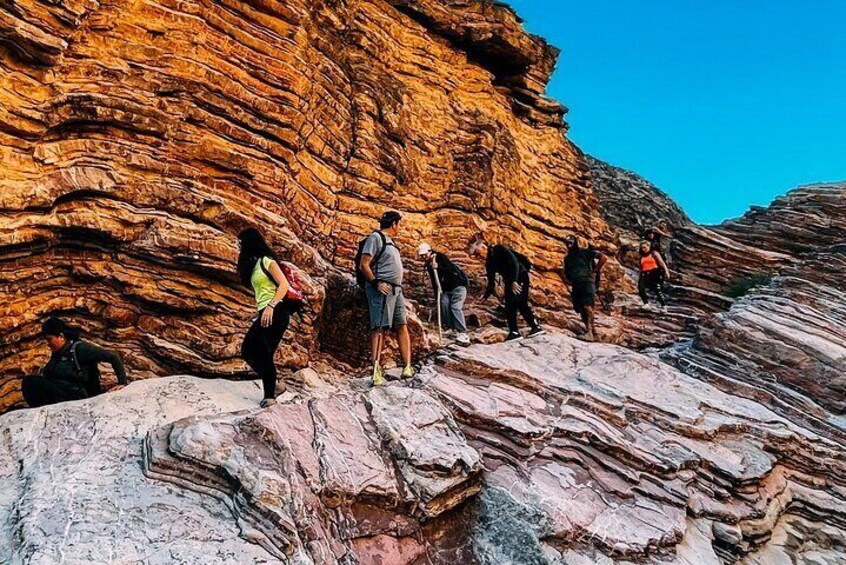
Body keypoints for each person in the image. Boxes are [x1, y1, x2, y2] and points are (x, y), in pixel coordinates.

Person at [238, 228, 293, 408]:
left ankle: (270, 396)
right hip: (265, 312)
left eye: (241, 243)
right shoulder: (253, 267)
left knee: (262, 351)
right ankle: (275, 385)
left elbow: (283, 284)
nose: (239, 247)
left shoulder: (266, 261)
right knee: (248, 351)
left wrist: (271, 306)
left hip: (277, 311)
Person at [22, 317, 127, 408]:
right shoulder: (58, 353)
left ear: (61, 336)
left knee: (32, 382)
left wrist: (122, 382)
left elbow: (113, 356)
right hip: (61, 394)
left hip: (77, 397)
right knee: (29, 382)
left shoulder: (80, 349)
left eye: (50, 339)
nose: (48, 344)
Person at [359, 211, 413, 386]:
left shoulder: (391, 242)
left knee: (402, 325)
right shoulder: (375, 238)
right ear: (394, 224)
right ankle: (375, 371)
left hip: (396, 291)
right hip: (382, 289)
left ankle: (407, 367)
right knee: (379, 328)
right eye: (399, 224)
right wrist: (376, 283)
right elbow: (364, 264)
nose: (400, 228)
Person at [469, 238, 544, 342]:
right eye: (476, 256)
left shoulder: (499, 249)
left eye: (478, 253)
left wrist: (514, 281)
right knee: (510, 305)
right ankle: (516, 332)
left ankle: (533, 328)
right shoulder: (489, 263)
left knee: (519, 302)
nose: (478, 257)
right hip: (510, 280)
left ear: (483, 248)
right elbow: (491, 283)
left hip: (519, 276)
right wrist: (485, 297)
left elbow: (514, 263)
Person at [418, 242, 470, 346]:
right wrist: (437, 294)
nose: (424, 257)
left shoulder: (440, 257)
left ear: (430, 251)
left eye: (425, 254)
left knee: (455, 307)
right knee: (444, 303)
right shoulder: (428, 264)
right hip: (446, 289)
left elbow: (450, 270)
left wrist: (438, 267)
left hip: (458, 286)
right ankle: (450, 328)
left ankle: (462, 332)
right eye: (422, 255)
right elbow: (434, 280)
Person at [562, 235, 607, 342]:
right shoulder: (567, 259)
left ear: (576, 242)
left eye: (571, 242)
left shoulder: (585, 252)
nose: (569, 245)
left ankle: (590, 333)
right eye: (567, 242)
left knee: (587, 306)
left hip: (587, 282)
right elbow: (567, 273)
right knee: (581, 308)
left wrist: (595, 270)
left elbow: (603, 257)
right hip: (576, 284)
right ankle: (593, 332)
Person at [638, 240, 671, 310]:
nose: (643, 249)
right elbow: (641, 266)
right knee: (640, 287)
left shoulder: (654, 253)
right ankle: (646, 303)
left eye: (645, 247)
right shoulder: (642, 256)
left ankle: (664, 305)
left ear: (648, 246)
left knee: (656, 289)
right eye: (642, 248)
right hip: (644, 273)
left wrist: (667, 272)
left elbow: (662, 263)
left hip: (654, 273)